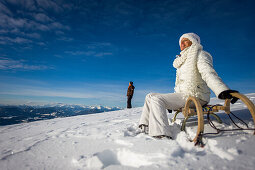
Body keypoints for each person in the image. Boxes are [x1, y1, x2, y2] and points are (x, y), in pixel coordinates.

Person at [138, 33, 238, 139]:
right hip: (184, 96)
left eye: (186, 40)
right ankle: (145, 127)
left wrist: (222, 90)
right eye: (181, 41)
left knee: (156, 99)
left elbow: (208, 73)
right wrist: (171, 101)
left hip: (196, 96)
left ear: (194, 41)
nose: (182, 43)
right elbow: (179, 83)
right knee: (150, 95)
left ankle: (161, 134)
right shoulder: (182, 60)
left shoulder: (200, 54)